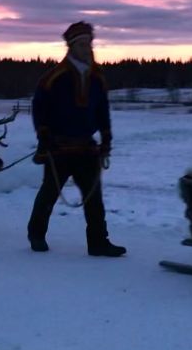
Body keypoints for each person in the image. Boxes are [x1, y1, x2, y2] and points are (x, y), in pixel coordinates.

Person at [26, 21, 125, 257]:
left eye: (89, 43)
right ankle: (36, 234)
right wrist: (44, 135)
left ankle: (98, 242)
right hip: (58, 148)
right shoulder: (54, 77)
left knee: (94, 199)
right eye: (81, 43)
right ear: (71, 46)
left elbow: (102, 110)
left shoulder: (97, 77)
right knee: (49, 193)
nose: (87, 47)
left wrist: (107, 139)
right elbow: (39, 108)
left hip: (87, 149)